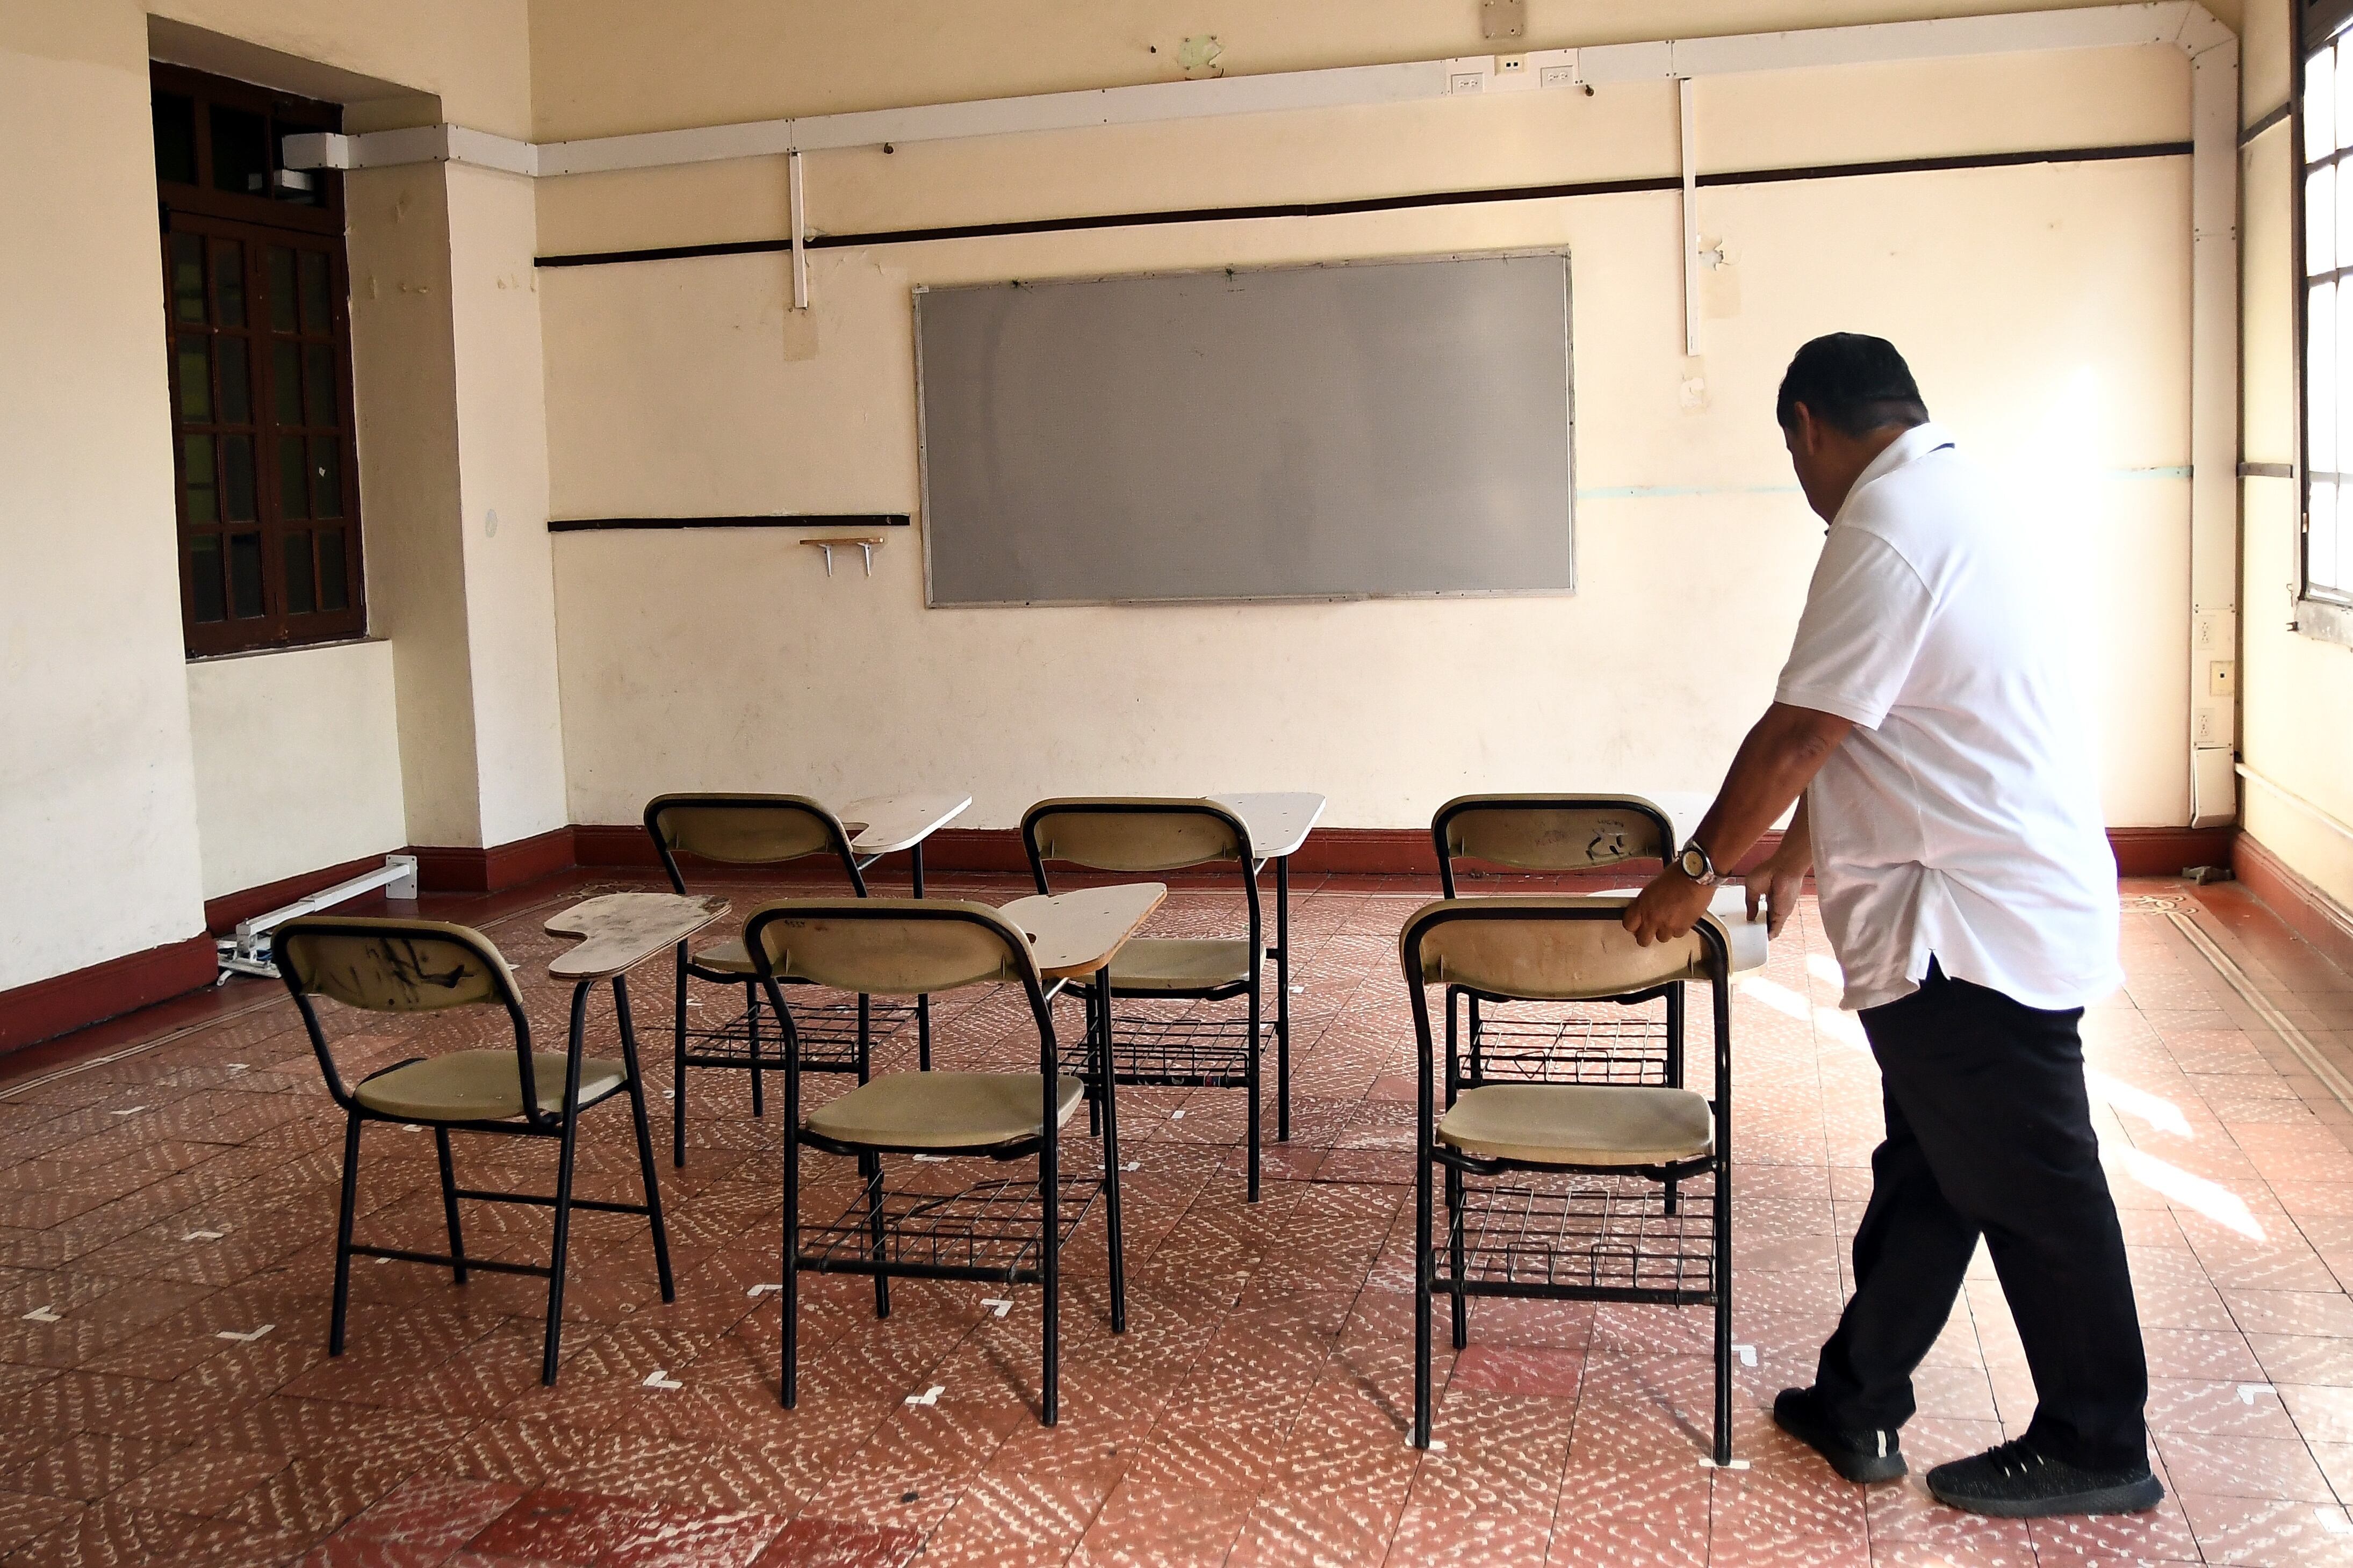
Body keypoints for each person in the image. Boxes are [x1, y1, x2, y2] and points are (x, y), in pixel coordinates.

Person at [1621, 333, 2160, 1518]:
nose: (1802, 483)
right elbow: (1889, 714)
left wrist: (1699, 867)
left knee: (2036, 1183)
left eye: (1792, 454)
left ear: (1807, 425)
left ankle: (2098, 1437)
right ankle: (1854, 1391)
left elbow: (1804, 728)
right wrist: (1805, 853)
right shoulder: (1960, 493)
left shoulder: (1886, 522)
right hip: (1988, 899)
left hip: (1971, 923)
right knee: (1932, 1170)